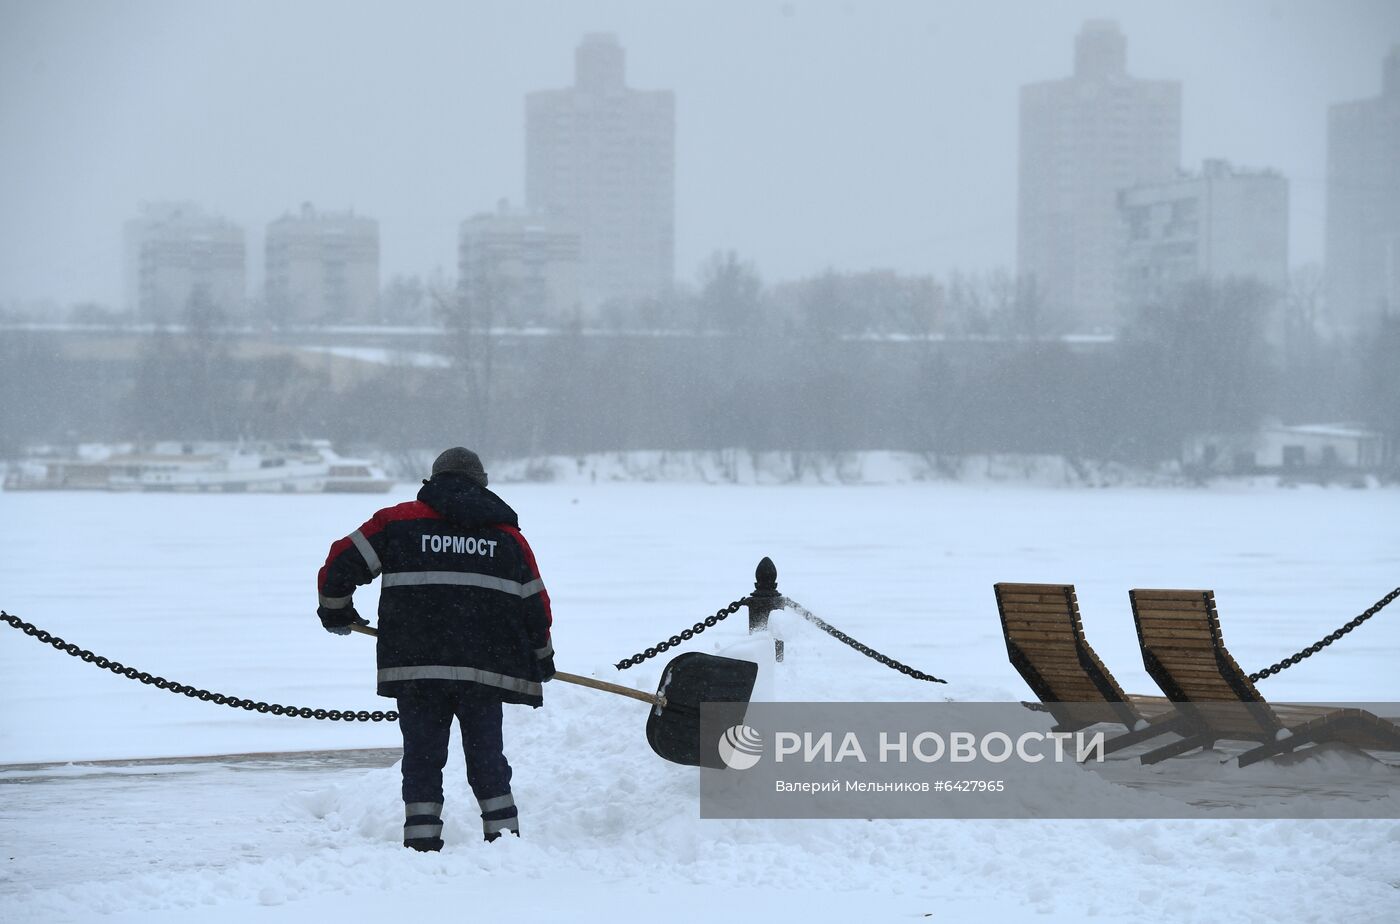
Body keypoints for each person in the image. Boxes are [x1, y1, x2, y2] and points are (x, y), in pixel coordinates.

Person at [316, 447, 554, 851]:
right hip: (482, 671)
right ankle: (505, 842)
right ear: (482, 485)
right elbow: (535, 603)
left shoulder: (396, 523)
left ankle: (422, 845)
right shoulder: (507, 539)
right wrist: (542, 657)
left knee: (422, 758)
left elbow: (341, 562)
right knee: (487, 759)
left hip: (416, 667)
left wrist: (337, 613)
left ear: (434, 480)